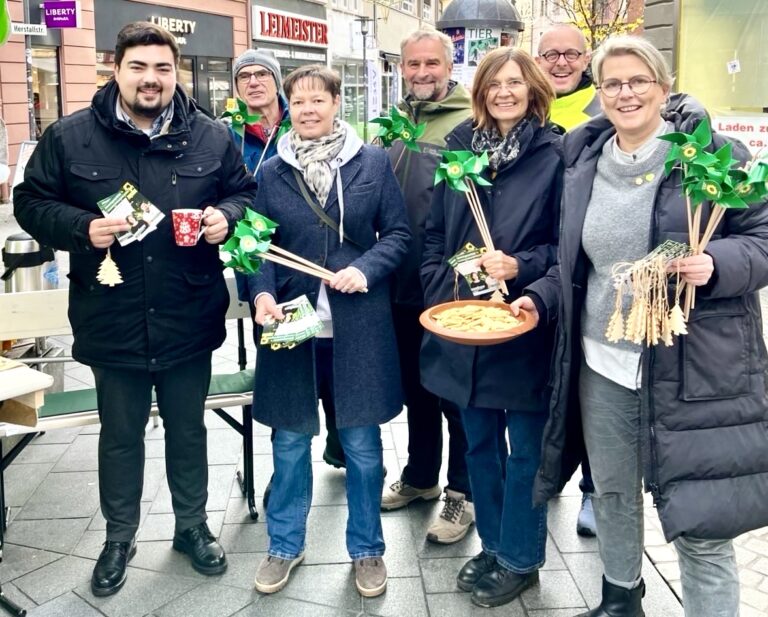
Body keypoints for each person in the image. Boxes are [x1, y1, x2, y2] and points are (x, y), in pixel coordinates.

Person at [515, 35, 768, 617]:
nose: (625, 93)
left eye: (638, 81)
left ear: (664, 88)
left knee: (703, 519)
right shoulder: (582, 163)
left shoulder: (714, 159)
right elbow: (575, 264)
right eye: (613, 83)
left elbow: (761, 240)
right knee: (612, 493)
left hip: (693, 364)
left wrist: (718, 263)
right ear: (598, 93)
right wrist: (539, 298)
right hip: (602, 361)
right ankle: (620, 598)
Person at [14, 21, 257, 597]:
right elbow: (29, 202)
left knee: (187, 430)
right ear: (116, 69)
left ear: (175, 72)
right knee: (120, 435)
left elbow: (242, 191)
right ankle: (118, 538)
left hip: (188, 313)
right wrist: (81, 228)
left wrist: (228, 217)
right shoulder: (71, 137)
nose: (152, 79)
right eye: (139, 68)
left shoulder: (211, 136)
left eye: (163, 68)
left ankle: (192, 527)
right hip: (111, 314)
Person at [248, 65, 410, 598]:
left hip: (357, 328)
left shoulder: (371, 163)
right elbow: (255, 244)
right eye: (299, 102)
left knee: (362, 446)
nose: (309, 110)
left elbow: (399, 234)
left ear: (338, 102)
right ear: (287, 108)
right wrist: (262, 293)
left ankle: (367, 550)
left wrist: (365, 268)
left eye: (319, 100)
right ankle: (284, 546)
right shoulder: (272, 172)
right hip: (293, 328)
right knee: (290, 442)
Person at [421, 47, 562, 608]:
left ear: (533, 88)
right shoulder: (457, 149)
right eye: (493, 83)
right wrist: (440, 283)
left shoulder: (557, 153)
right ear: (479, 91)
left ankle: (521, 558)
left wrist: (521, 267)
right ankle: (495, 544)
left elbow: (566, 246)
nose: (504, 92)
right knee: (478, 443)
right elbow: (436, 230)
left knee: (525, 448)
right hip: (465, 323)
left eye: (515, 82)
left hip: (522, 323)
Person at [382, 27, 476, 545]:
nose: (421, 73)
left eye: (431, 64)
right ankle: (421, 476)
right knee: (417, 386)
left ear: (448, 65)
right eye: (412, 65)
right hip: (398, 282)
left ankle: (462, 492)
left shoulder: (469, 122)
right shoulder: (394, 126)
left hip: (449, 284)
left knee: (456, 394)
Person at [536, 23, 599, 537]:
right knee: (550, 384)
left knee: (592, 386)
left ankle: (595, 491)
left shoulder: (604, 107)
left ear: (586, 58)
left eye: (569, 54)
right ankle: (550, 472)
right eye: (549, 54)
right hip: (540, 266)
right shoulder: (531, 107)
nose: (560, 63)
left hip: (590, 266)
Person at [537, 24, 601, 133]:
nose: (561, 63)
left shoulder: (606, 119)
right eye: (551, 55)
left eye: (571, 54)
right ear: (538, 63)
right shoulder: (520, 112)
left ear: (585, 61)